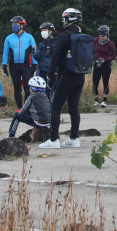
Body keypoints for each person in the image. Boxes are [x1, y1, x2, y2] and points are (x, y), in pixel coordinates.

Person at [41, 8, 89, 149]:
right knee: (74, 108)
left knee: (55, 107)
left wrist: (50, 75)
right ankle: (74, 138)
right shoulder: (81, 36)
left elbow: (55, 57)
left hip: (65, 75)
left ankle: (54, 139)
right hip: (80, 76)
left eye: (64, 18)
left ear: (68, 19)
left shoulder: (63, 36)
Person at [2, 15, 37, 109]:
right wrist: (4, 65)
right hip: (14, 65)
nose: (14, 26)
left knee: (27, 88)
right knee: (17, 87)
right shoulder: (8, 38)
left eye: (16, 24)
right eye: (13, 24)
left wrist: (35, 64)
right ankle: (19, 108)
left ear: (22, 25)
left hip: (25, 65)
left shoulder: (29, 37)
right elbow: (5, 53)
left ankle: (27, 108)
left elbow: (34, 52)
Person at [92, 25, 116, 108]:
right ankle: (96, 100)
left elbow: (113, 56)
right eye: (100, 36)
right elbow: (92, 50)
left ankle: (104, 100)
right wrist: (93, 58)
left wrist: (106, 60)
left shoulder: (110, 44)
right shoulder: (96, 40)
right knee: (95, 82)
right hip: (97, 63)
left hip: (105, 64)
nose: (102, 38)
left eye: (104, 36)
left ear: (107, 35)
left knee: (105, 82)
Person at [35, 22, 57, 88]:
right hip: (42, 70)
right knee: (43, 89)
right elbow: (38, 58)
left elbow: (57, 58)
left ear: (50, 31)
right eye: (41, 31)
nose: (42, 32)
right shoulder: (41, 44)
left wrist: (56, 70)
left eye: (44, 30)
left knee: (51, 89)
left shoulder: (55, 43)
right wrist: (34, 53)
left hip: (51, 71)